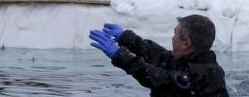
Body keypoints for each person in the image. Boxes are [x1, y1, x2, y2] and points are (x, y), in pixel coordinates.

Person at [89, 16, 228, 96]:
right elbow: (158, 55)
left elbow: (161, 80)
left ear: (186, 43)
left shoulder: (204, 74)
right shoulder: (188, 60)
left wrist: (121, 55)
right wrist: (126, 37)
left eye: (175, 33)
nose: (172, 38)